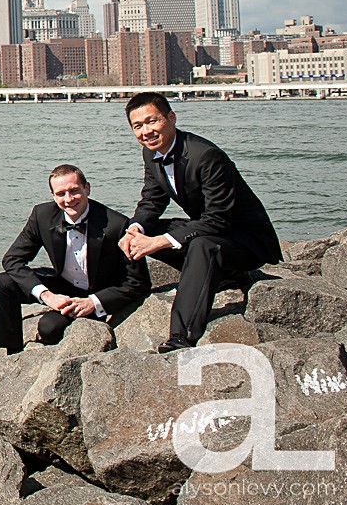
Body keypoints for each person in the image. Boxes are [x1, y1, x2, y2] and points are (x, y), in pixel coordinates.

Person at [118, 92, 282, 353]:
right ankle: (227, 275)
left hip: (246, 240)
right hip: (213, 232)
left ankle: (181, 336)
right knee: (139, 230)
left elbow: (218, 219)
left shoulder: (206, 156)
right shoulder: (151, 154)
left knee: (200, 245)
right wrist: (135, 229)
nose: (146, 131)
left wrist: (159, 242)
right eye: (137, 126)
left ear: (171, 118)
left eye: (152, 121)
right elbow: (152, 200)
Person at [0, 164, 150, 354]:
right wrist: (47, 296)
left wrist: (93, 303)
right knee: (3, 281)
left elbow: (138, 282)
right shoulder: (42, 215)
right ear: (53, 195)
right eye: (61, 194)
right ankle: (11, 351)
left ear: (87, 188)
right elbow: (12, 259)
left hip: (97, 292)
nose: (68, 199)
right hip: (63, 286)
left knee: (49, 328)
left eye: (74, 191)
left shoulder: (117, 225)